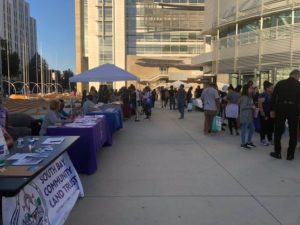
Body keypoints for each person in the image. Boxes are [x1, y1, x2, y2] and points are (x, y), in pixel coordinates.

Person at [270, 70, 300, 160]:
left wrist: (272, 110)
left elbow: (274, 97)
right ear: (296, 75)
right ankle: (290, 155)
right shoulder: (299, 85)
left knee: (278, 131)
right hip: (294, 109)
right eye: (299, 77)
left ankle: (277, 153)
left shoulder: (280, 83)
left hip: (280, 108)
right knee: (293, 132)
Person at [239, 84, 256, 150]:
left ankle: (249, 141)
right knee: (244, 129)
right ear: (246, 89)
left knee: (252, 128)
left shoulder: (250, 97)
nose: (252, 89)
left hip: (249, 115)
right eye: (250, 88)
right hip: (245, 116)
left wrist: (253, 106)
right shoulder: (244, 97)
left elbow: (250, 104)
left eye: (252, 88)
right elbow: (243, 107)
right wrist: (251, 107)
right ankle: (243, 143)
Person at [258, 81, 274, 146]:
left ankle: (270, 139)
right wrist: (262, 112)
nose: (272, 89)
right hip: (265, 113)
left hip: (271, 113)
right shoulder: (263, 94)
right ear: (267, 88)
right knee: (264, 127)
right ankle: (262, 139)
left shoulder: (272, 94)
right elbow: (260, 103)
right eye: (271, 88)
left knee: (270, 126)